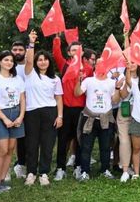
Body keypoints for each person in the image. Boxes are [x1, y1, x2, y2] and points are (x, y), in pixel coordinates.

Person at [22, 31, 63, 186]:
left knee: (47, 143)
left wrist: (60, 116)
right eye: (40, 60)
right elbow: (28, 61)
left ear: (49, 62)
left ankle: (44, 172)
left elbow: (59, 98)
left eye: (45, 60)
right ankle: (31, 172)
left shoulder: (55, 79)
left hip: (50, 112)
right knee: (31, 143)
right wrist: (31, 43)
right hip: (32, 112)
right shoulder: (30, 73)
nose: (43, 62)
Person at [74, 59, 124, 181]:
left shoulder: (111, 82)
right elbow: (77, 93)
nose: (101, 66)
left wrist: (117, 88)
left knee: (106, 146)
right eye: (99, 63)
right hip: (89, 117)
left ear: (107, 67)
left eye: (104, 64)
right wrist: (78, 80)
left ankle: (105, 169)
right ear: (95, 66)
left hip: (105, 118)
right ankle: (85, 171)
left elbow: (115, 101)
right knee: (86, 146)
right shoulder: (88, 80)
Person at [0, 50, 26, 194]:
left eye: (11, 60)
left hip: (15, 114)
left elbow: (22, 99)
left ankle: (2, 180)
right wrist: (4, 118)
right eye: (6, 60)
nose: (9, 62)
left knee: (10, 149)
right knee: (2, 149)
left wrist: (21, 116)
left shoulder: (17, 79)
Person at [53, 37, 87, 180]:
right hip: (66, 109)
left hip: (81, 109)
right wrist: (56, 38)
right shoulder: (64, 65)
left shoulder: (88, 68)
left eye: (78, 50)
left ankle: (78, 166)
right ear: (68, 53)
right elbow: (55, 54)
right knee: (63, 139)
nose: (75, 52)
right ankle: (60, 168)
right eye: (73, 50)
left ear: (82, 52)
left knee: (80, 139)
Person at [10, 41, 28, 180]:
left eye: (20, 49)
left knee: (30, 137)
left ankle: (28, 162)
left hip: (31, 106)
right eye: (15, 49)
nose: (17, 52)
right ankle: (19, 163)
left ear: (25, 51)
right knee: (16, 138)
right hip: (13, 107)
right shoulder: (9, 66)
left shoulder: (31, 66)